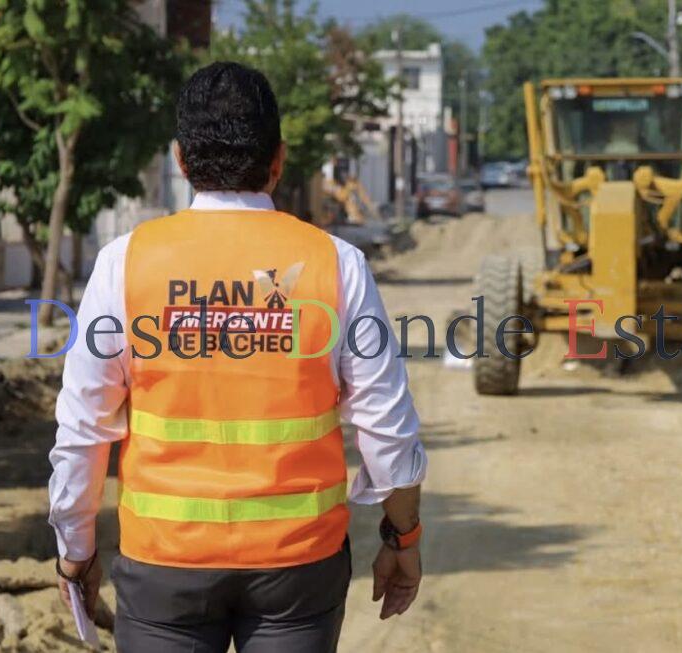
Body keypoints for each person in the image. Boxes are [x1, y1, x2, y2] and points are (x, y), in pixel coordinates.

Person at [48, 61, 427, 652]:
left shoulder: (126, 264)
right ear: (277, 160)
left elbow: (82, 426)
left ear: (181, 160)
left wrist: (76, 551)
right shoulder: (337, 265)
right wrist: (404, 539)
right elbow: (388, 427)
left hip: (164, 566)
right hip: (298, 566)